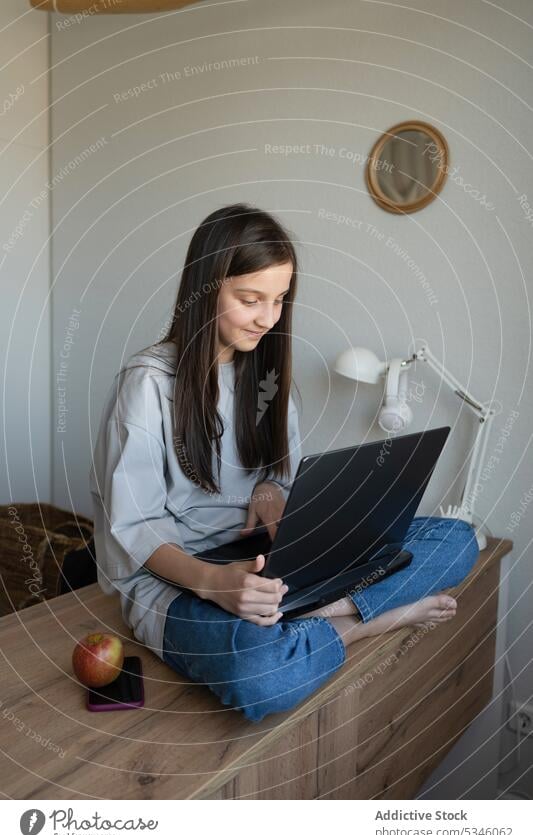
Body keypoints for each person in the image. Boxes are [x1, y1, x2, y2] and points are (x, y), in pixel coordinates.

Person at [89, 202, 480, 723]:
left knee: (458, 541)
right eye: (250, 299)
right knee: (263, 676)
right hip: (176, 579)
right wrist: (211, 582)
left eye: (278, 300)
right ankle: (362, 620)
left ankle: (324, 612)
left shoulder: (269, 378)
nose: (267, 318)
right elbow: (134, 526)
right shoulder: (148, 385)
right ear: (206, 288)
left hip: (264, 562)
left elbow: (278, 473)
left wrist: (271, 490)